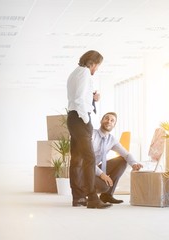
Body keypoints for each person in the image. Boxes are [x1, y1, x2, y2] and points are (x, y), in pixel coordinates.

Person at [67, 50, 112, 209]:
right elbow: (79, 99)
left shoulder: (75, 73)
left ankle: (78, 198)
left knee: (77, 160)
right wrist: (86, 120)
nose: (97, 69)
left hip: (73, 118)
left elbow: (78, 97)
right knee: (89, 158)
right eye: (97, 66)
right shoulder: (85, 73)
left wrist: (92, 100)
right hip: (80, 119)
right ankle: (92, 198)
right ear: (92, 63)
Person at [94, 112, 143, 204]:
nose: (109, 121)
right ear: (101, 120)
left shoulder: (111, 139)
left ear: (114, 125)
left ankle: (107, 195)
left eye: (112, 120)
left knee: (122, 160)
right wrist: (102, 174)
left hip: (96, 169)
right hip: (86, 169)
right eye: (106, 118)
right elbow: (87, 160)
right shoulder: (92, 135)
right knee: (104, 186)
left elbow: (126, 154)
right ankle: (90, 194)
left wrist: (134, 164)